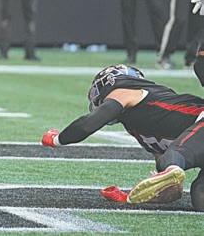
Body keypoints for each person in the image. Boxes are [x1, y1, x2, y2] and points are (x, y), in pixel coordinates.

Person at [41, 63, 204, 211]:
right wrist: (132, 197)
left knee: (174, 157)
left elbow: (88, 124)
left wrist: (57, 139)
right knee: (199, 197)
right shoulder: (137, 126)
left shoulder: (126, 92)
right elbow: (171, 190)